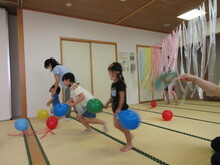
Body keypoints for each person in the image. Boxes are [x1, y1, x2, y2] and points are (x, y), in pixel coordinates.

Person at [104, 62, 133, 152]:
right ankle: (129, 135)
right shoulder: (113, 84)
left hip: (121, 109)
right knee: (116, 125)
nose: (109, 74)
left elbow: (122, 97)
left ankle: (129, 144)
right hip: (116, 108)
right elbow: (113, 96)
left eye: (110, 72)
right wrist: (108, 103)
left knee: (123, 126)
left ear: (116, 72)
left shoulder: (120, 84)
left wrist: (119, 109)